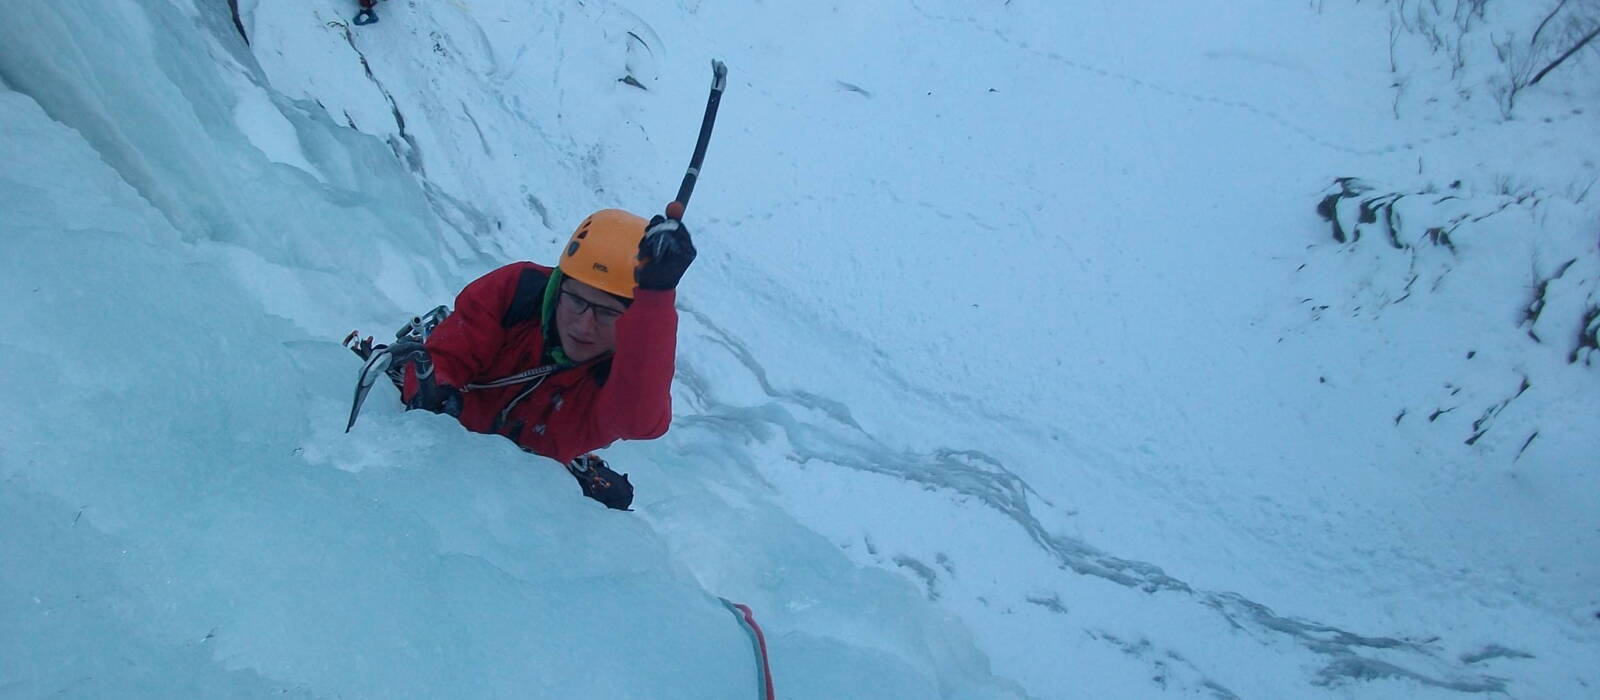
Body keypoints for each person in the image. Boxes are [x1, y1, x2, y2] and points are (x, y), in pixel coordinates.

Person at [381, 210, 696, 509]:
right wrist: (435, 393)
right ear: (558, 287)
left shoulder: (623, 373)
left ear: (632, 320)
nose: (583, 325)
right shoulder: (518, 292)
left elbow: (639, 422)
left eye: (606, 312)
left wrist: (655, 297)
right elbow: (447, 357)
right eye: (576, 300)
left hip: (525, 473)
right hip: (464, 436)